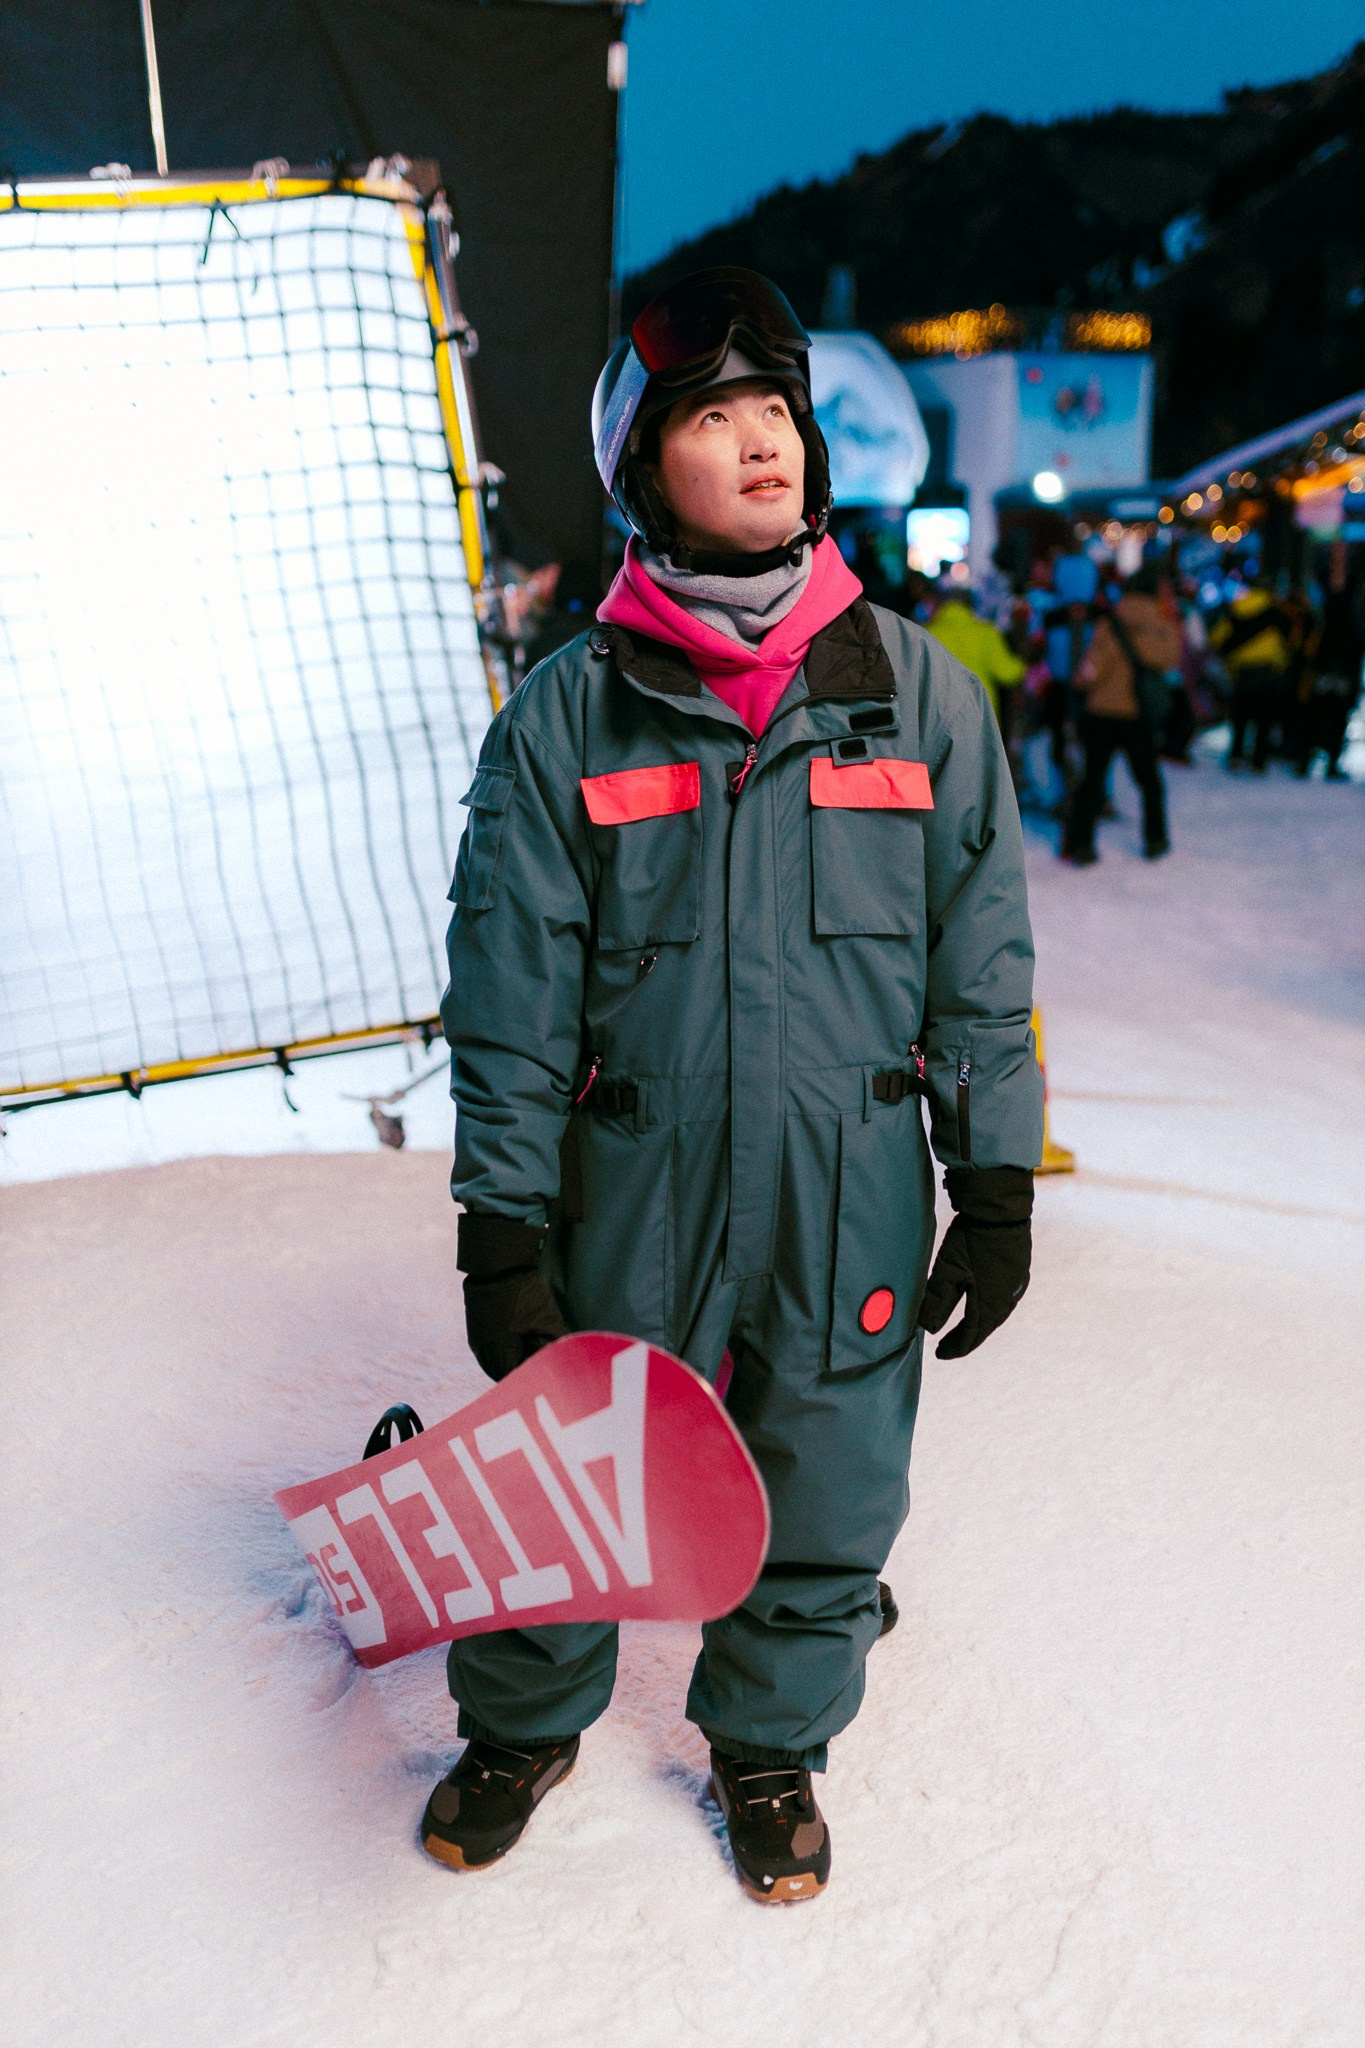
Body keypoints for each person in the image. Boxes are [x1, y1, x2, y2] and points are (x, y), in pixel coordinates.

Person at [430, 268, 1043, 1902]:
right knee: (580, 1457)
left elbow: (980, 963)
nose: (764, 442)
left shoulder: (920, 695)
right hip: (627, 1170)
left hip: (845, 1183)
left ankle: (770, 1743)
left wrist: (988, 1175)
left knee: (830, 1476)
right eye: (715, 416)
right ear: (648, 470)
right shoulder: (572, 714)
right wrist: (504, 1212)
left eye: (778, 408)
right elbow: (508, 990)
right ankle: (525, 1715)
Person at [1062, 562, 1181, 864]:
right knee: (1149, 781)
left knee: (1092, 780)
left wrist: (1080, 681)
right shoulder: (1159, 623)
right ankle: (1155, 839)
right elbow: (1170, 659)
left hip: (1102, 713)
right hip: (1137, 716)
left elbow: (1094, 669)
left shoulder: (1111, 622)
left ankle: (1081, 845)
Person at [1210, 571, 1291, 772]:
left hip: (1242, 671)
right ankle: (1258, 760)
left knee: (1240, 717)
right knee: (1264, 719)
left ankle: (1236, 755)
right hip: (1268, 671)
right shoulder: (1276, 613)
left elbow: (1218, 638)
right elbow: (1286, 644)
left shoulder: (1236, 610)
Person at [926, 579, 1026, 725]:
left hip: (938, 717)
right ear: (969, 605)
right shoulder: (986, 633)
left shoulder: (926, 633)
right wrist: (1024, 663)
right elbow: (1007, 673)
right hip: (981, 714)